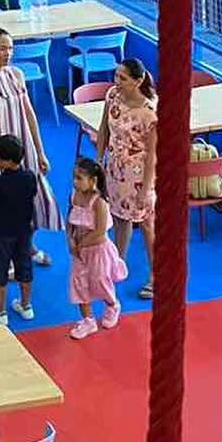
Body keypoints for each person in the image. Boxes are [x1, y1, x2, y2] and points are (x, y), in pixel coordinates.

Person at [0, 27, 62, 261]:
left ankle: (28, 246)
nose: (7, 53)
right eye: (2, 48)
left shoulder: (16, 74)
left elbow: (29, 113)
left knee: (32, 198)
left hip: (22, 147)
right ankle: (6, 257)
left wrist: (40, 151)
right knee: (0, 207)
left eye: (10, 48)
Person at [96, 55, 157, 300]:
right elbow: (103, 129)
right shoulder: (112, 96)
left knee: (146, 223)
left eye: (123, 78)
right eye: (116, 76)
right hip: (115, 170)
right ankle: (117, 263)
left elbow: (152, 154)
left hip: (139, 174)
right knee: (120, 218)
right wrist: (98, 161)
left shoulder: (149, 112)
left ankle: (155, 274)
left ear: (138, 81)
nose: (117, 81)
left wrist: (146, 188)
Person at [67, 155, 127, 340]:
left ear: (92, 181)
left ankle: (112, 305)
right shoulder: (73, 196)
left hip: (98, 251)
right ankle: (88, 320)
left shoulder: (99, 203)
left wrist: (81, 244)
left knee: (100, 281)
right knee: (79, 283)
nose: (75, 182)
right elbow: (69, 221)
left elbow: (100, 231)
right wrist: (70, 240)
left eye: (79, 178)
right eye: (74, 177)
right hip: (79, 252)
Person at [0, 133, 36, 323]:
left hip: (2, 233)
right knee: (24, 267)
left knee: (0, 269)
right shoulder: (30, 177)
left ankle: (0, 311)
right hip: (24, 232)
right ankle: (25, 305)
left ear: (6, 161)